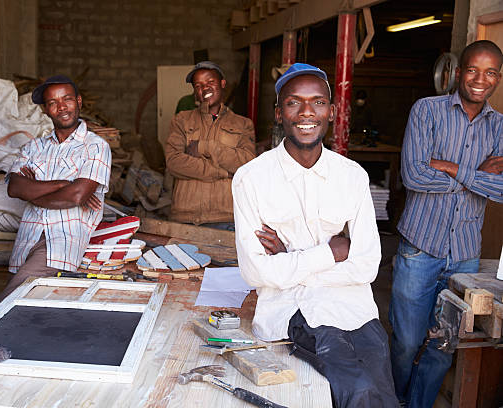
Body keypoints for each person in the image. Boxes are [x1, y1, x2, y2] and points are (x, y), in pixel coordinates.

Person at [233, 63, 399, 407]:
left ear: (332, 112)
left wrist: (289, 257)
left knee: (380, 384)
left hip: (352, 307)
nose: (307, 112)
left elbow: (367, 265)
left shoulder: (351, 177)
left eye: (318, 102)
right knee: (357, 388)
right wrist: (329, 252)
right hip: (290, 311)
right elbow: (255, 272)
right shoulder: (252, 178)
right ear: (279, 114)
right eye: (294, 103)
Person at [389, 40, 503, 408]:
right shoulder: (427, 111)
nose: (479, 79)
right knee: (407, 342)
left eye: (489, 73)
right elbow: (415, 176)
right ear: (457, 73)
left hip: (465, 256)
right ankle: (395, 401)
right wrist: (477, 175)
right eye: (472, 70)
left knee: (443, 343)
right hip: (420, 248)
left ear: (498, 79)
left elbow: (500, 190)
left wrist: (451, 167)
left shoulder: (500, 126)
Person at [0, 75, 111, 301]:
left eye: (67, 99)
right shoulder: (34, 147)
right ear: (45, 110)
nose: (61, 107)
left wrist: (35, 190)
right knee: (22, 313)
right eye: (53, 103)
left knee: (6, 303)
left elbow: (76, 197)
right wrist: (63, 184)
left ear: (79, 101)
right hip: (26, 240)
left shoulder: (96, 147)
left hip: (59, 244)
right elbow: (15, 188)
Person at [165, 61, 255, 229]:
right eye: (198, 85)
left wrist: (204, 147)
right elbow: (174, 162)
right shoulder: (181, 120)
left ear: (222, 84)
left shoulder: (243, 124)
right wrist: (221, 172)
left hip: (226, 217)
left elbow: (247, 163)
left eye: (210, 82)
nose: (205, 89)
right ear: (195, 92)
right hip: (184, 217)